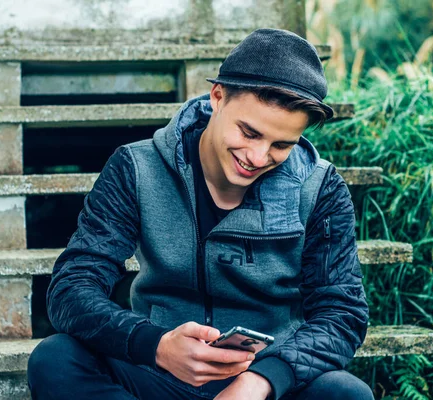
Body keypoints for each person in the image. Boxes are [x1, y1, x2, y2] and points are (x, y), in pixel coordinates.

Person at [27, 28, 373, 400]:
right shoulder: (136, 167)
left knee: (346, 394)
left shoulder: (321, 188)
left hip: (262, 386)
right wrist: (154, 344)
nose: (257, 158)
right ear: (218, 97)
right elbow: (72, 287)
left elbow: (341, 313)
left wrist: (262, 380)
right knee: (56, 358)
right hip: (157, 373)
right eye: (249, 132)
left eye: (281, 145)